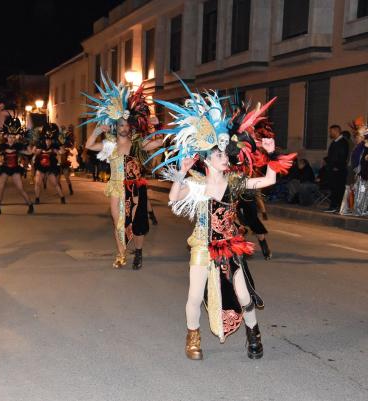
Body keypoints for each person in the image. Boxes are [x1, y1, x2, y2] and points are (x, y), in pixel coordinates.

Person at [154, 85, 296, 360]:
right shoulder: (197, 185)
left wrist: (270, 154)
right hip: (202, 247)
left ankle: (254, 335)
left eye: (225, 154)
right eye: (219, 155)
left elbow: (268, 180)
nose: (225, 158)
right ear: (206, 160)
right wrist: (181, 174)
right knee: (195, 296)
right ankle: (193, 337)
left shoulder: (235, 181)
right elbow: (173, 198)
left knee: (245, 297)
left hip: (231, 247)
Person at [84, 75, 163, 269]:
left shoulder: (138, 142)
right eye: (120, 125)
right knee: (118, 222)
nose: (124, 128)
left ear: (131, 126)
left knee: (137, 224)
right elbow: (89, 145)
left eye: (127, 125)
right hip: (117, 187)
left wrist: (157, 125)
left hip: (136, 187)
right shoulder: (109, 144)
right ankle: (121, 254)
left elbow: (160, 142)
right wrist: (96, 130)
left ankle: (138, 252)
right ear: (115, 126)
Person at [0, 115, 35, 215]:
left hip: (15, 168)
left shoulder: (18, 147)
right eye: (9, 137)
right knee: (1, 188)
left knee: (20, 188)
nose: (11, 139)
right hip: (5, 168)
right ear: (6, 136)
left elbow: (29, 153)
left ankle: (30, 205)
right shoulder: (2, 146)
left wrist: (29, 146)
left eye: (13, 137)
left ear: (15, 137)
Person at [34, 123, 65, 204]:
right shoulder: (40, 143)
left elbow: (62, 151)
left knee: (55, 183)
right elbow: (33, 151)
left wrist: (58, 145)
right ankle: (37, 199)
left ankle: (62, 197)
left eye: (50, 140)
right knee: (37, 182)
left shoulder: (55, 145)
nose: (48, 141)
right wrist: (38, 151)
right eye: (47, 140)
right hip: (40, 166)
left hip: (50, 167)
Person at [325, 124, 349, 212]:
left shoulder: (343, 142)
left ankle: (336, 206)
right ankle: (333, 206)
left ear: (336, 131)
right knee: (333, 188)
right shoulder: (334, 142)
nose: (330, 133)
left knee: (338, 189)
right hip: (333, 169)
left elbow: (342, 156)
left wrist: (336, 167)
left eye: (331, 131)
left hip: (338, 170)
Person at [58, 125, 75, 195]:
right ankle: (60, 190)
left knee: (66, 177)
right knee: (57, 179)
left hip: (64, 163)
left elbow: (71, 151)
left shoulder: (66, 148)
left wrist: (68, 151)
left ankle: (71, 190)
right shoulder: (57, 148)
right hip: (58, 164)